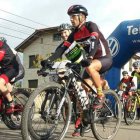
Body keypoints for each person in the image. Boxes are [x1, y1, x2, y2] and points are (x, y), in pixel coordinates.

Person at [40, 5, 112, 136]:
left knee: (90, 67)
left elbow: (95, 41)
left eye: (73, 16)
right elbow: (62, 48)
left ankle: (100, 95)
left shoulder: (91, 26)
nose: (71, 19)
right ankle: (83, 119)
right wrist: (49, 60)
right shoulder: (74, 33)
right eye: (70, 17)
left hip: (104, 58)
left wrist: (90, 56)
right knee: (81, 90)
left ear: (82, 17)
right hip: (90, 61)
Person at [0, 37, 24, 114]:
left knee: (1, 83)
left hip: (14, 70)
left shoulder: (4, 49)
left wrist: (7, 82)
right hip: (5, 70)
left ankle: (11, 103)